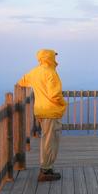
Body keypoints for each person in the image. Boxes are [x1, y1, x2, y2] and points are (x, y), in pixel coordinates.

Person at [18, 49, 67, 182]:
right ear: (49, 58)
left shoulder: (35, 72)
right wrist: (63, 103)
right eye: (54, 56)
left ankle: (47, 168)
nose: (55, 59)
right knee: (50, 141)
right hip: (51, 111)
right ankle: (45, 170)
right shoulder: (51, 73)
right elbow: (54, 94)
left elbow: (21, 82)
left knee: (46, 139)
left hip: (40, 110)